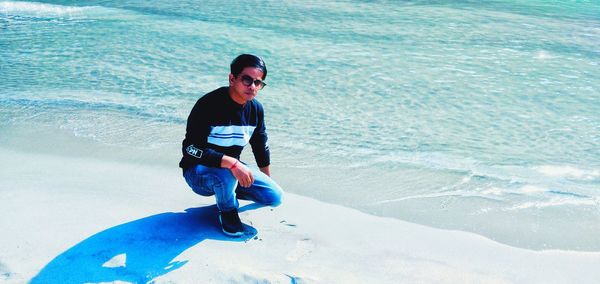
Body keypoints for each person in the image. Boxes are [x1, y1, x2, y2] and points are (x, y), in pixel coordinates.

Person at [179, 54, 283, 237]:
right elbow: (189, 149)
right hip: (197, 172)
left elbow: (260, 145)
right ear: (232, 78)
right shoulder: (208, 104)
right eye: (247, 79)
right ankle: (227, 211)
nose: (252, 86)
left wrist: (266, 179)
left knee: (273, 196)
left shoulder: (256, 110)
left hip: (231, 170)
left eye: (258, 82)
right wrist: (232, 163)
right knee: (226, 174)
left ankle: (225, 193)